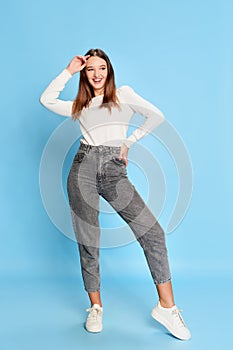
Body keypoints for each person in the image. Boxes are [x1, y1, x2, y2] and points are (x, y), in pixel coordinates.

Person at [39, 48, 191, 341]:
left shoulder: (124, 95)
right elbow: (46, 100)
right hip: (82, 168)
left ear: (109, 71)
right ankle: (95, 307)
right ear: (84, 74)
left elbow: (156, 116)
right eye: (90, 69)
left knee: (152, 233)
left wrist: (130, 142)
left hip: (113, 171)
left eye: (102, 68)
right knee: (89, 239)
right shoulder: (80, 106)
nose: (96, 74)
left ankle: (167, 307)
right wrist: (68, 70)